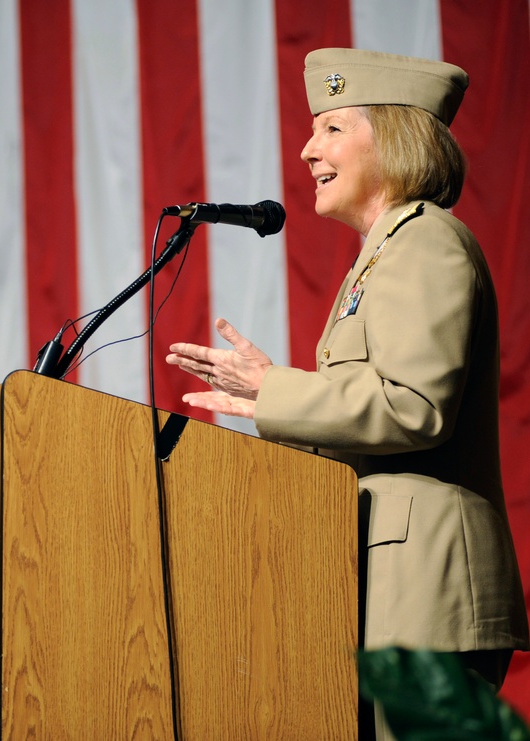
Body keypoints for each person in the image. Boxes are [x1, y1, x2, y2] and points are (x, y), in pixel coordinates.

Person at [165, 48, 528, 738]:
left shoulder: (427, 244)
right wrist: (274, 402)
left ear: (392, 139)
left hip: (431, 594)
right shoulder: (384, 254)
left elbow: (414, 406)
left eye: (332, 128)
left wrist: (276, 391)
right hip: (394, 593)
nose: (307, 150)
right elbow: (374, 408)